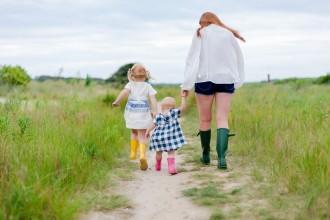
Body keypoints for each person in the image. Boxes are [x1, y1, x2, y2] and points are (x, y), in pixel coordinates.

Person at [180, 12, 245, 169]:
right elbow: (238, 57)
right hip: (226, 80)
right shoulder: (228, 34)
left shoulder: (200, 33)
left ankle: (206, 155)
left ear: (204, 22)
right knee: (222, 118)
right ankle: (222, 158)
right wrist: (238, 80)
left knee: (205, 119)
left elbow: (192, 60)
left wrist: (186, 85)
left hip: (204, 80)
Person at [112, 63, 157, 171]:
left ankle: (133, 153)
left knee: (133, 132)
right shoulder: (148, 86)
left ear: (132, 75)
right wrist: (154, 110)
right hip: (143, 113)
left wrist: (117, 101)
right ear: (145, 75)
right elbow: (153, 99)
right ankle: (142, 155)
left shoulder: (130, 84)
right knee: (142, 135)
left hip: (132, 112)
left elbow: (124, 92)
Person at [145, 96, 187, 174]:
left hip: (158, 138)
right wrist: (183, 97)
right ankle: (171, 168)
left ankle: (158, 166)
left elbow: (153, 124)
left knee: (158, 152)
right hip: (170, 138)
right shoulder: (173, 112)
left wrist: (147, 131)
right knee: (171, 153)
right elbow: (183, 108)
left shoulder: (159, 116)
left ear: (162, 107)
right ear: (173, 107)